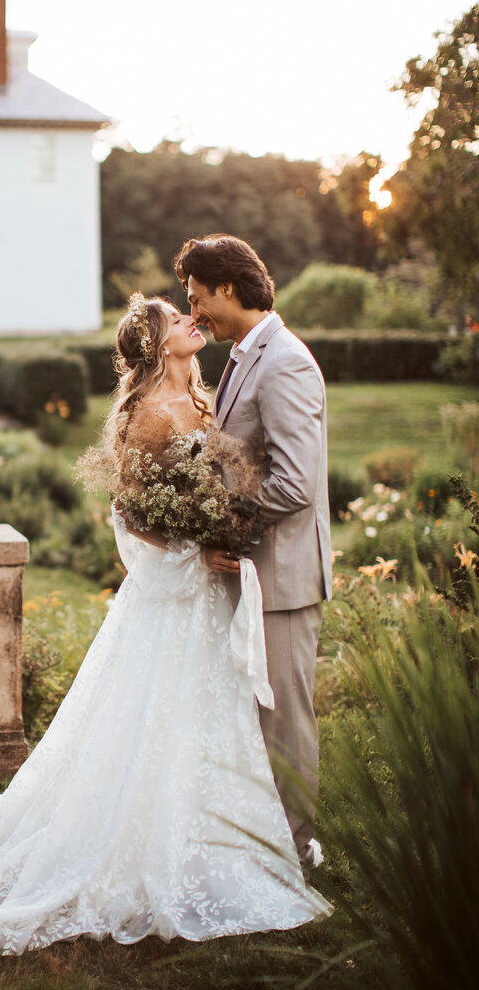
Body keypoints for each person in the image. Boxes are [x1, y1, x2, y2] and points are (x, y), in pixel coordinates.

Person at [0, 297, 330, 954]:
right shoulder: (148, 413)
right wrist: (198, 542)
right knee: (159, 712)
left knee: (207, 712)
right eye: (176, 316)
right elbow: (134, 515)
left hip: (211, 588)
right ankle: (141, 843)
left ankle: (212, 833)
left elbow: (220, 480)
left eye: (192, 309)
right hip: (181, 587)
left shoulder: (200, 397)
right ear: (159, 344)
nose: (191, 318)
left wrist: (221, 524)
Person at [174, 234, 331, 877]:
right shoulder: (244, 355)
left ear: (228, 289)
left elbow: (294, 484)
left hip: (284, 574)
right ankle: (259, 835)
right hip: (253, 569)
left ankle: (296, 850)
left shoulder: (285, 361)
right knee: (253, 712)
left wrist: (222, 523)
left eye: (197, 296)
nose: (194, 310)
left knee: (285, 717)